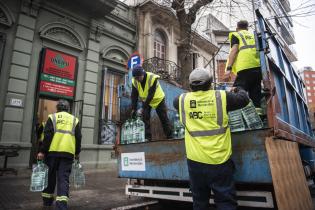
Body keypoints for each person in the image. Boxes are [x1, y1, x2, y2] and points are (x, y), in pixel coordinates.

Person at [174, 68, 249, 210]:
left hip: (195, 162)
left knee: (200, 203)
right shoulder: (221, 97)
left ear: (191, 86)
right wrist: (239, 87)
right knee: (225, 202)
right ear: (210, 84)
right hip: (219, 161)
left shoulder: (180, 100)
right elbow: (244, 99)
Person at [37, 99, 82, 210]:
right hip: (68, 154)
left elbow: (47, 136)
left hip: (52, 153)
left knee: (50, 177)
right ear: (68, 108)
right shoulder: (74, 120)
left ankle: (47, 202)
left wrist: (42, 151)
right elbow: (78, 138)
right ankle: (61, 205)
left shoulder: (52, 118)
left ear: (57, 108)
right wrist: (77, 153)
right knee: (63, 178)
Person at [223, 20, 262, 114]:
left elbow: (234, 51)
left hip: (245, 66)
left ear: (237, 28)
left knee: (237, 88)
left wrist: (228, 69)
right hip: (257, 67)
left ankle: (236, 114)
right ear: (247, 28)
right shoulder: (254, 36)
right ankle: (259, 114)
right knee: (255, 92)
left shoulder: (236, 35)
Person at [131, 65, 172, 140]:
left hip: (158, 99)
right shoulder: (134, 81)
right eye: (135, 78)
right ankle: (147, 138)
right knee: (145, 119)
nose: (137, 80)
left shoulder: (152, 78)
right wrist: (133, 108)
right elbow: (134, 95)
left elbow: (151, 95)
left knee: (163, 118)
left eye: (138, 77)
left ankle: (170, 137)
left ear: (142, 74)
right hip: (145, 100)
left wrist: (143, 108)